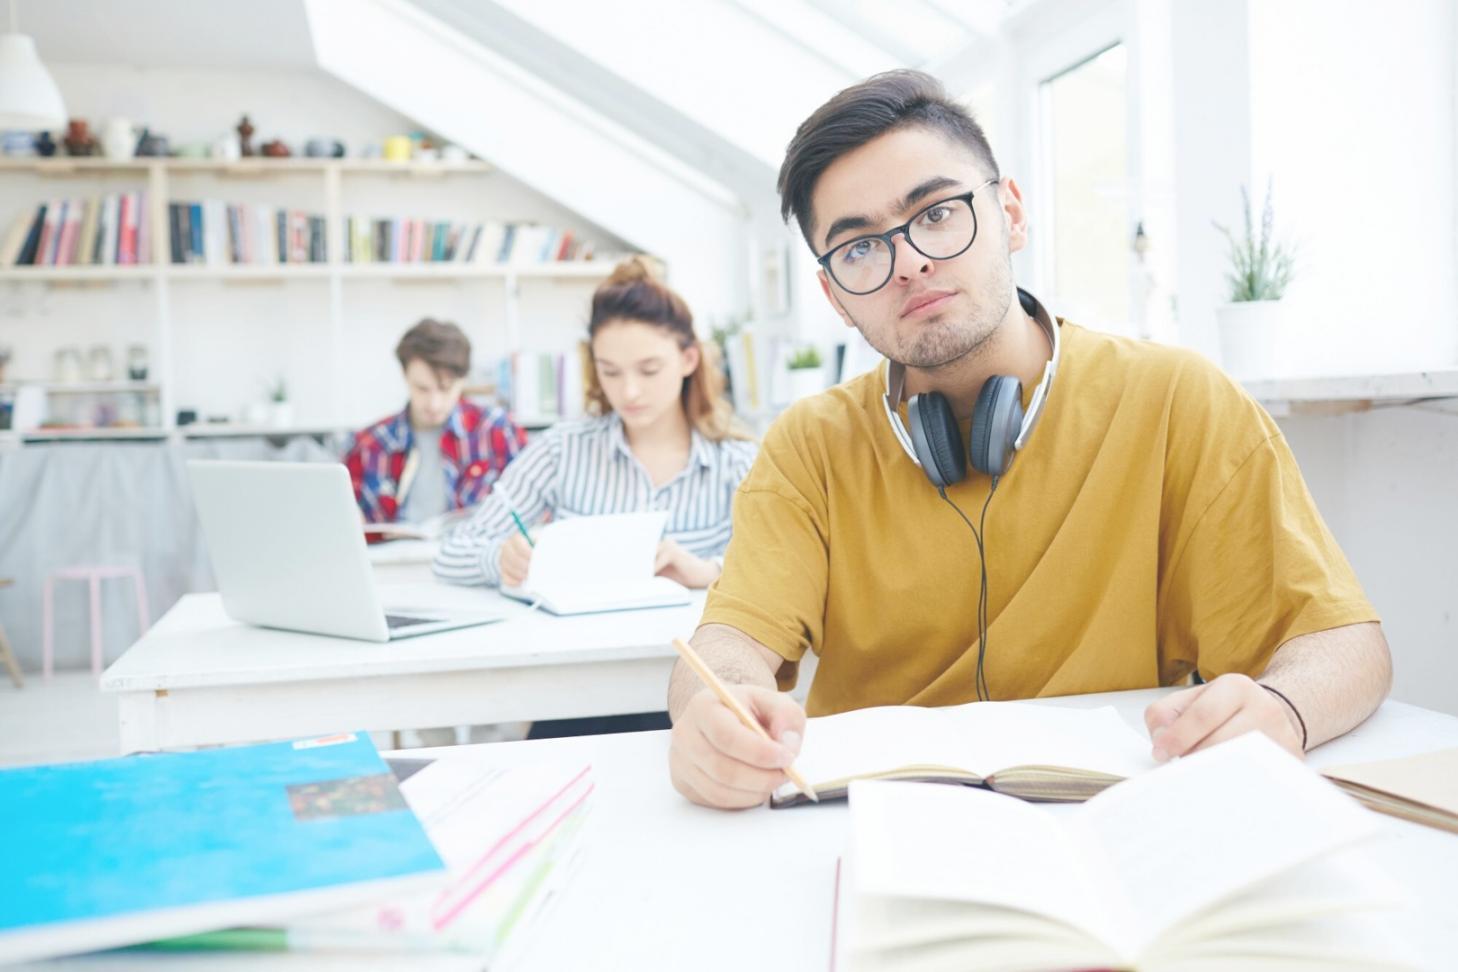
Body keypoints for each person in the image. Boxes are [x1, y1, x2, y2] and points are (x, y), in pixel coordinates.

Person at [667, 70, 1392, 810]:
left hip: (1121, 815)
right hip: (877, 822)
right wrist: (711, 713)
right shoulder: (808, 447)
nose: (910, 263)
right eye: (858, 251)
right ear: (834, 298)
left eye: (939, 213)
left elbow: (1344, 645)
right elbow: (727, 646)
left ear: (1010, 212)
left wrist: (1288, 711)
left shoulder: (1177, 401)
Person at [436, 257, 757, 735]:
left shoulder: (737, 462)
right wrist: (499, 560)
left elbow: (787, 574)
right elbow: (451, 553)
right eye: (610, 371)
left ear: (689, 359)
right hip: (576, 696)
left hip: (695, 692)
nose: (628, 391)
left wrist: (708, 570)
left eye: (649, 369)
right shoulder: (562, 449)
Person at [345, 318, 526, 524]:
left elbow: (532, 509)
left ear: (463, 380)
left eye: (445, 388)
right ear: (405, 376)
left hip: (475, 554)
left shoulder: (499, 431)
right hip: (392, 555)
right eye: (422, 388)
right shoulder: (369, 443)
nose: (434, 404)